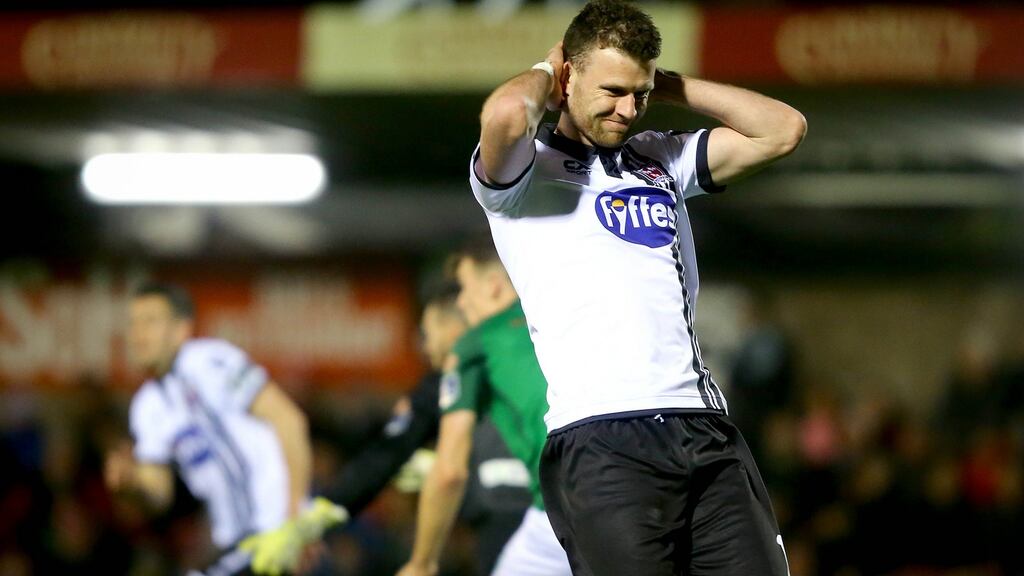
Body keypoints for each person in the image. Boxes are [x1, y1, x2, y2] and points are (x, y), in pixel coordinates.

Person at [469, 0, 807, 574]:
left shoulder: (660, 159)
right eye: (612, 91)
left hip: (702, 425)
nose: (628, 110)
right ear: (570, 77)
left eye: (640, 94)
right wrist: (548, 69)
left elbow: (783, 130)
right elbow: (504, 114)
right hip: (600, 441)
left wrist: (668, 85)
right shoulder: (523, 175)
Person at [241, 286, 532, 576]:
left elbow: (387, 456)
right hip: (554, 508)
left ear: (453, 327)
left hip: (510, 519)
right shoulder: (529, 360)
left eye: (427, 333)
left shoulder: (447, 383)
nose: (424, 346)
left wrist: (421, 562)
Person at [105, 282, 314, 576]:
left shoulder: (210, 360)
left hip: (276, 525)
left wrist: (297, 520)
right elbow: (159, 494)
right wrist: (132, 483)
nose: (138, 333)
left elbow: (289, 420)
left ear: (181, 330)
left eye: (150, 321)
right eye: (134, 323)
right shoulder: (146, 406)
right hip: (232, 542)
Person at [396, 242, 571, 576]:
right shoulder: (559, 317)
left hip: (566, 503)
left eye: (464, 288)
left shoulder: (476, 343)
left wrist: (421, 563)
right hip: (634, 472)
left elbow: (449, 470)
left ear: (493, 285)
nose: (461, 302)